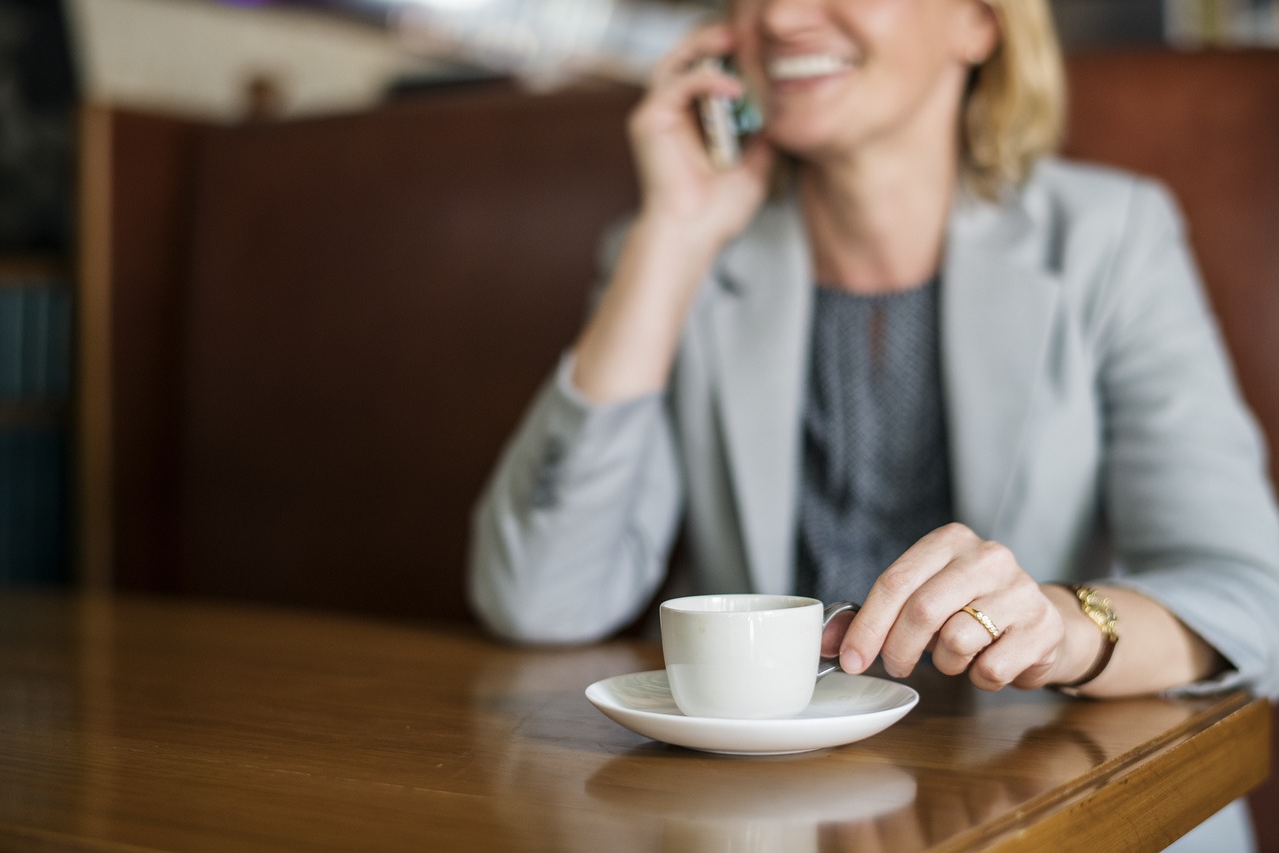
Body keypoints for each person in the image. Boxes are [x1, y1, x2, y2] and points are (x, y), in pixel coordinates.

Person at [469, 0, 1279, 710]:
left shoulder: (1112, 238)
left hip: (1038, 797)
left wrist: (1059, 628)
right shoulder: (683, 256)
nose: (780, 15)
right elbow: (539, 598)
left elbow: (1250, 598)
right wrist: (670, 237)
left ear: (979, 19)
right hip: (762, 808)